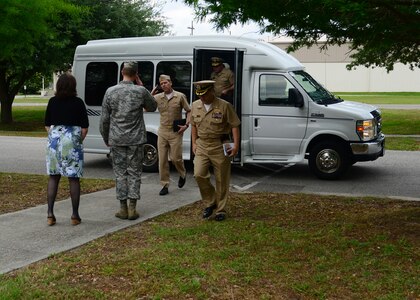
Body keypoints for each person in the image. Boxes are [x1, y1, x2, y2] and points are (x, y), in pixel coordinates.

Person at [100, 62, 157, 220]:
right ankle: (133, 208)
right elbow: (153, 106)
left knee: (120, 173)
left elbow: (104, 119)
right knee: (134, 172)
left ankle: (122, 208)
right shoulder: (140, 91)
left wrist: (106, 137)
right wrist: (141, 85)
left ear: (122, 72)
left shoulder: (110, 91)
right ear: (136, 73)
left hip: (117, 139)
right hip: (136, 139)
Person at [190, 80, 240, 221]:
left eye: (204, 94)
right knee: (198, 174)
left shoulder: (224, 106)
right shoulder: (195, 105)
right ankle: (211, 202)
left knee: (222, 179)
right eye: (199, 95)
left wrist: (236, 145)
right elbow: (193, 125)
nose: (202, 98)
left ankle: (221, 210)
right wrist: (194, 143)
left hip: (219, 144)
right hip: (202, 145)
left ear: (212, 91)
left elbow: (234, 125)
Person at [44, 73, 89, 226]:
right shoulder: (78, 103)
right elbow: (84, 128)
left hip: (54, 142)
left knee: (53, 177)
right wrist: (76, 142)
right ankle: (75, 216)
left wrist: (55, 138)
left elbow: (46, 124)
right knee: (73, 178)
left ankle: (50, 214)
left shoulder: (52, 101)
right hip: (72, 142)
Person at [153, 74, 191, 196]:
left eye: (166, 83)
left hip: (175, 132)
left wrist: (186, 125)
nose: (164, 85)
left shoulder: (179, 96)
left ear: (170, 83)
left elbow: (189, 111)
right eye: (162, 83)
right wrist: (152, 92)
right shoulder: (157, 97)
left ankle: (182, 174)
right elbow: (145, 106)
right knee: (162, 160)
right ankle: (165, 184)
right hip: (163, 131)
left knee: (175, 158)